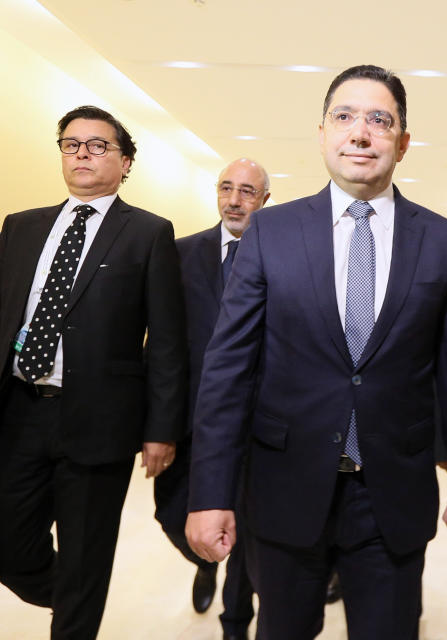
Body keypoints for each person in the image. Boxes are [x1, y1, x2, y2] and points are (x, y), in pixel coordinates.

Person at [185, 64, 447, 640]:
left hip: (391, 496)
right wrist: (210, 494)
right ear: (322, 133)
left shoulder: (446, 244)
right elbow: (228, 373)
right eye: (345, 117)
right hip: (283, 488)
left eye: (380, 120)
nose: (360, 133)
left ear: (402, 142)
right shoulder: (269, 233)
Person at [0, 105, 187, 639]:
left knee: (85, 553)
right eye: (72, 143)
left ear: (124, 163)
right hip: (21, 414)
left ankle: (77, 606)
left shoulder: (148, 233)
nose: (82, 153)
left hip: (102, 423)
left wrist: (161, 431)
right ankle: (73, 596)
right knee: (6, 546)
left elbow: (166, 344)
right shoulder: (23, 227)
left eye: (98, 145)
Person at [154, 158, 268, 636]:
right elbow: (161, 344)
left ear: (263, 200)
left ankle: (235, 619)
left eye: (246, 191)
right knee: (172, 512)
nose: (234, 199)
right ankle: (203, 559)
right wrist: (158, 427)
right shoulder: (180, 253)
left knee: (247, 524)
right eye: (227, 188)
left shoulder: (280, 253)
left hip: (256, 419)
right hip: (191, 416)